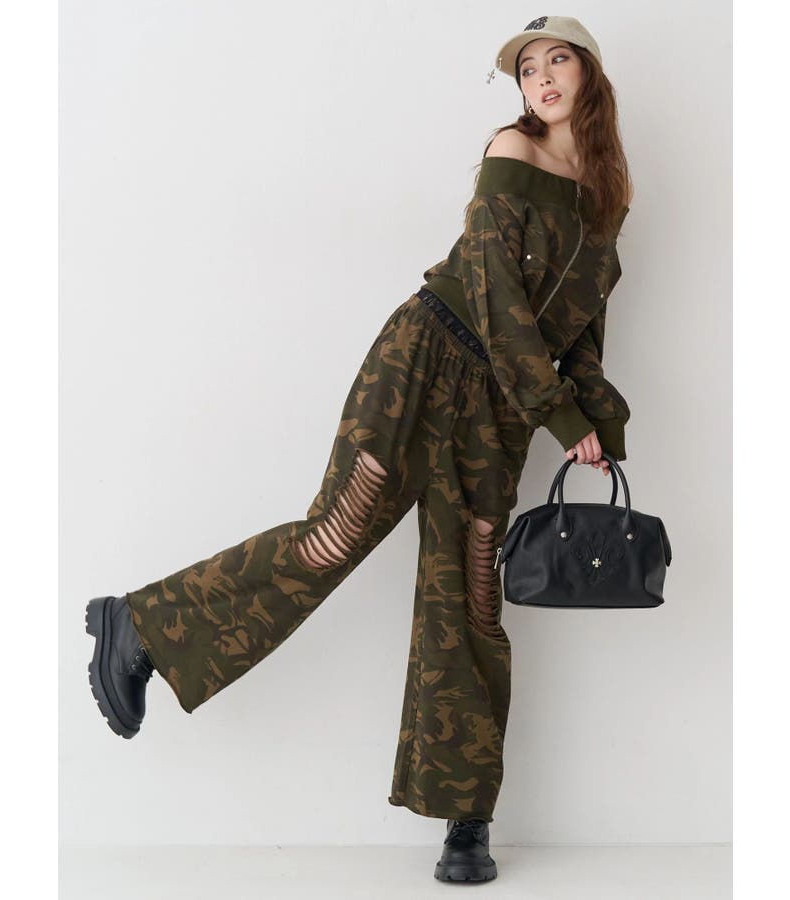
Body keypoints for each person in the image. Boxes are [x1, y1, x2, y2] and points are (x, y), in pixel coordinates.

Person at [84, 15, 634, 884]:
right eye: (528, 68)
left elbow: (582, 334)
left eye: (556, 59)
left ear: (590, 74)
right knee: (332, 535)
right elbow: (496, 296)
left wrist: (597, 424)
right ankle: (141, 625)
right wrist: (562, 416)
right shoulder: (510, 151)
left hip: (499, 411)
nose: (540, 78)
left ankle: (466, 822)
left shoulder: (607, 200)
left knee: (471, 600)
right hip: (425, 361)